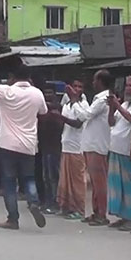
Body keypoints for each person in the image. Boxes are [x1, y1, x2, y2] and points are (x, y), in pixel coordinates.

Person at [0, 53, 47, 231]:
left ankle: (13, 219)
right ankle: (33, 202)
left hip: (7, 144)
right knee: (29, 178)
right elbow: (43, 113)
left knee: (9, 182)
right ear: (29, 78)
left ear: (12, 77)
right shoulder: (37, 93)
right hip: (29, 144)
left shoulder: (6, 91)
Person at [75, 70, 113, 226]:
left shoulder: (103, 99)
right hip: (91, 144)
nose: (92, 83)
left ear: (101, 82)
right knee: (96, 182)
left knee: (99, 182)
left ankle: (102, 214)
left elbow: (86, 115)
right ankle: (96, 211)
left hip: (97, 145)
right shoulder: (99, 98)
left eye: (95, 80)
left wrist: (75, 101)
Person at [107, 75, 131, 231]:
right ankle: (123, 216)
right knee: (118, 185)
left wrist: (118, 106)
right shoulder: (125, 103)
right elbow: (111, 122)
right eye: (127, 85)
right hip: (116, 148)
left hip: (128, 150)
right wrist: (112, 107)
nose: (128, 88)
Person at [56, 79, 87, 220]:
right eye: (75, 86)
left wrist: (61, 118)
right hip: (66, 145)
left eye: (80, 86)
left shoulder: (83, 105)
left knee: (77, 181)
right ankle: (67, 207)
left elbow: (78, 123)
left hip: (77, 147)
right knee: (65, 180)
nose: (77, 88)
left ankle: (79, 209)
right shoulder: (66, 105)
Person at [37, 96, 62, 213]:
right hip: (46, 148)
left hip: (54, 149)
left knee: (53, 177)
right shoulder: (43, 115)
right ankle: (48, 202)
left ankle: (54, 203)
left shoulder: (56, 114)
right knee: (46, 177)